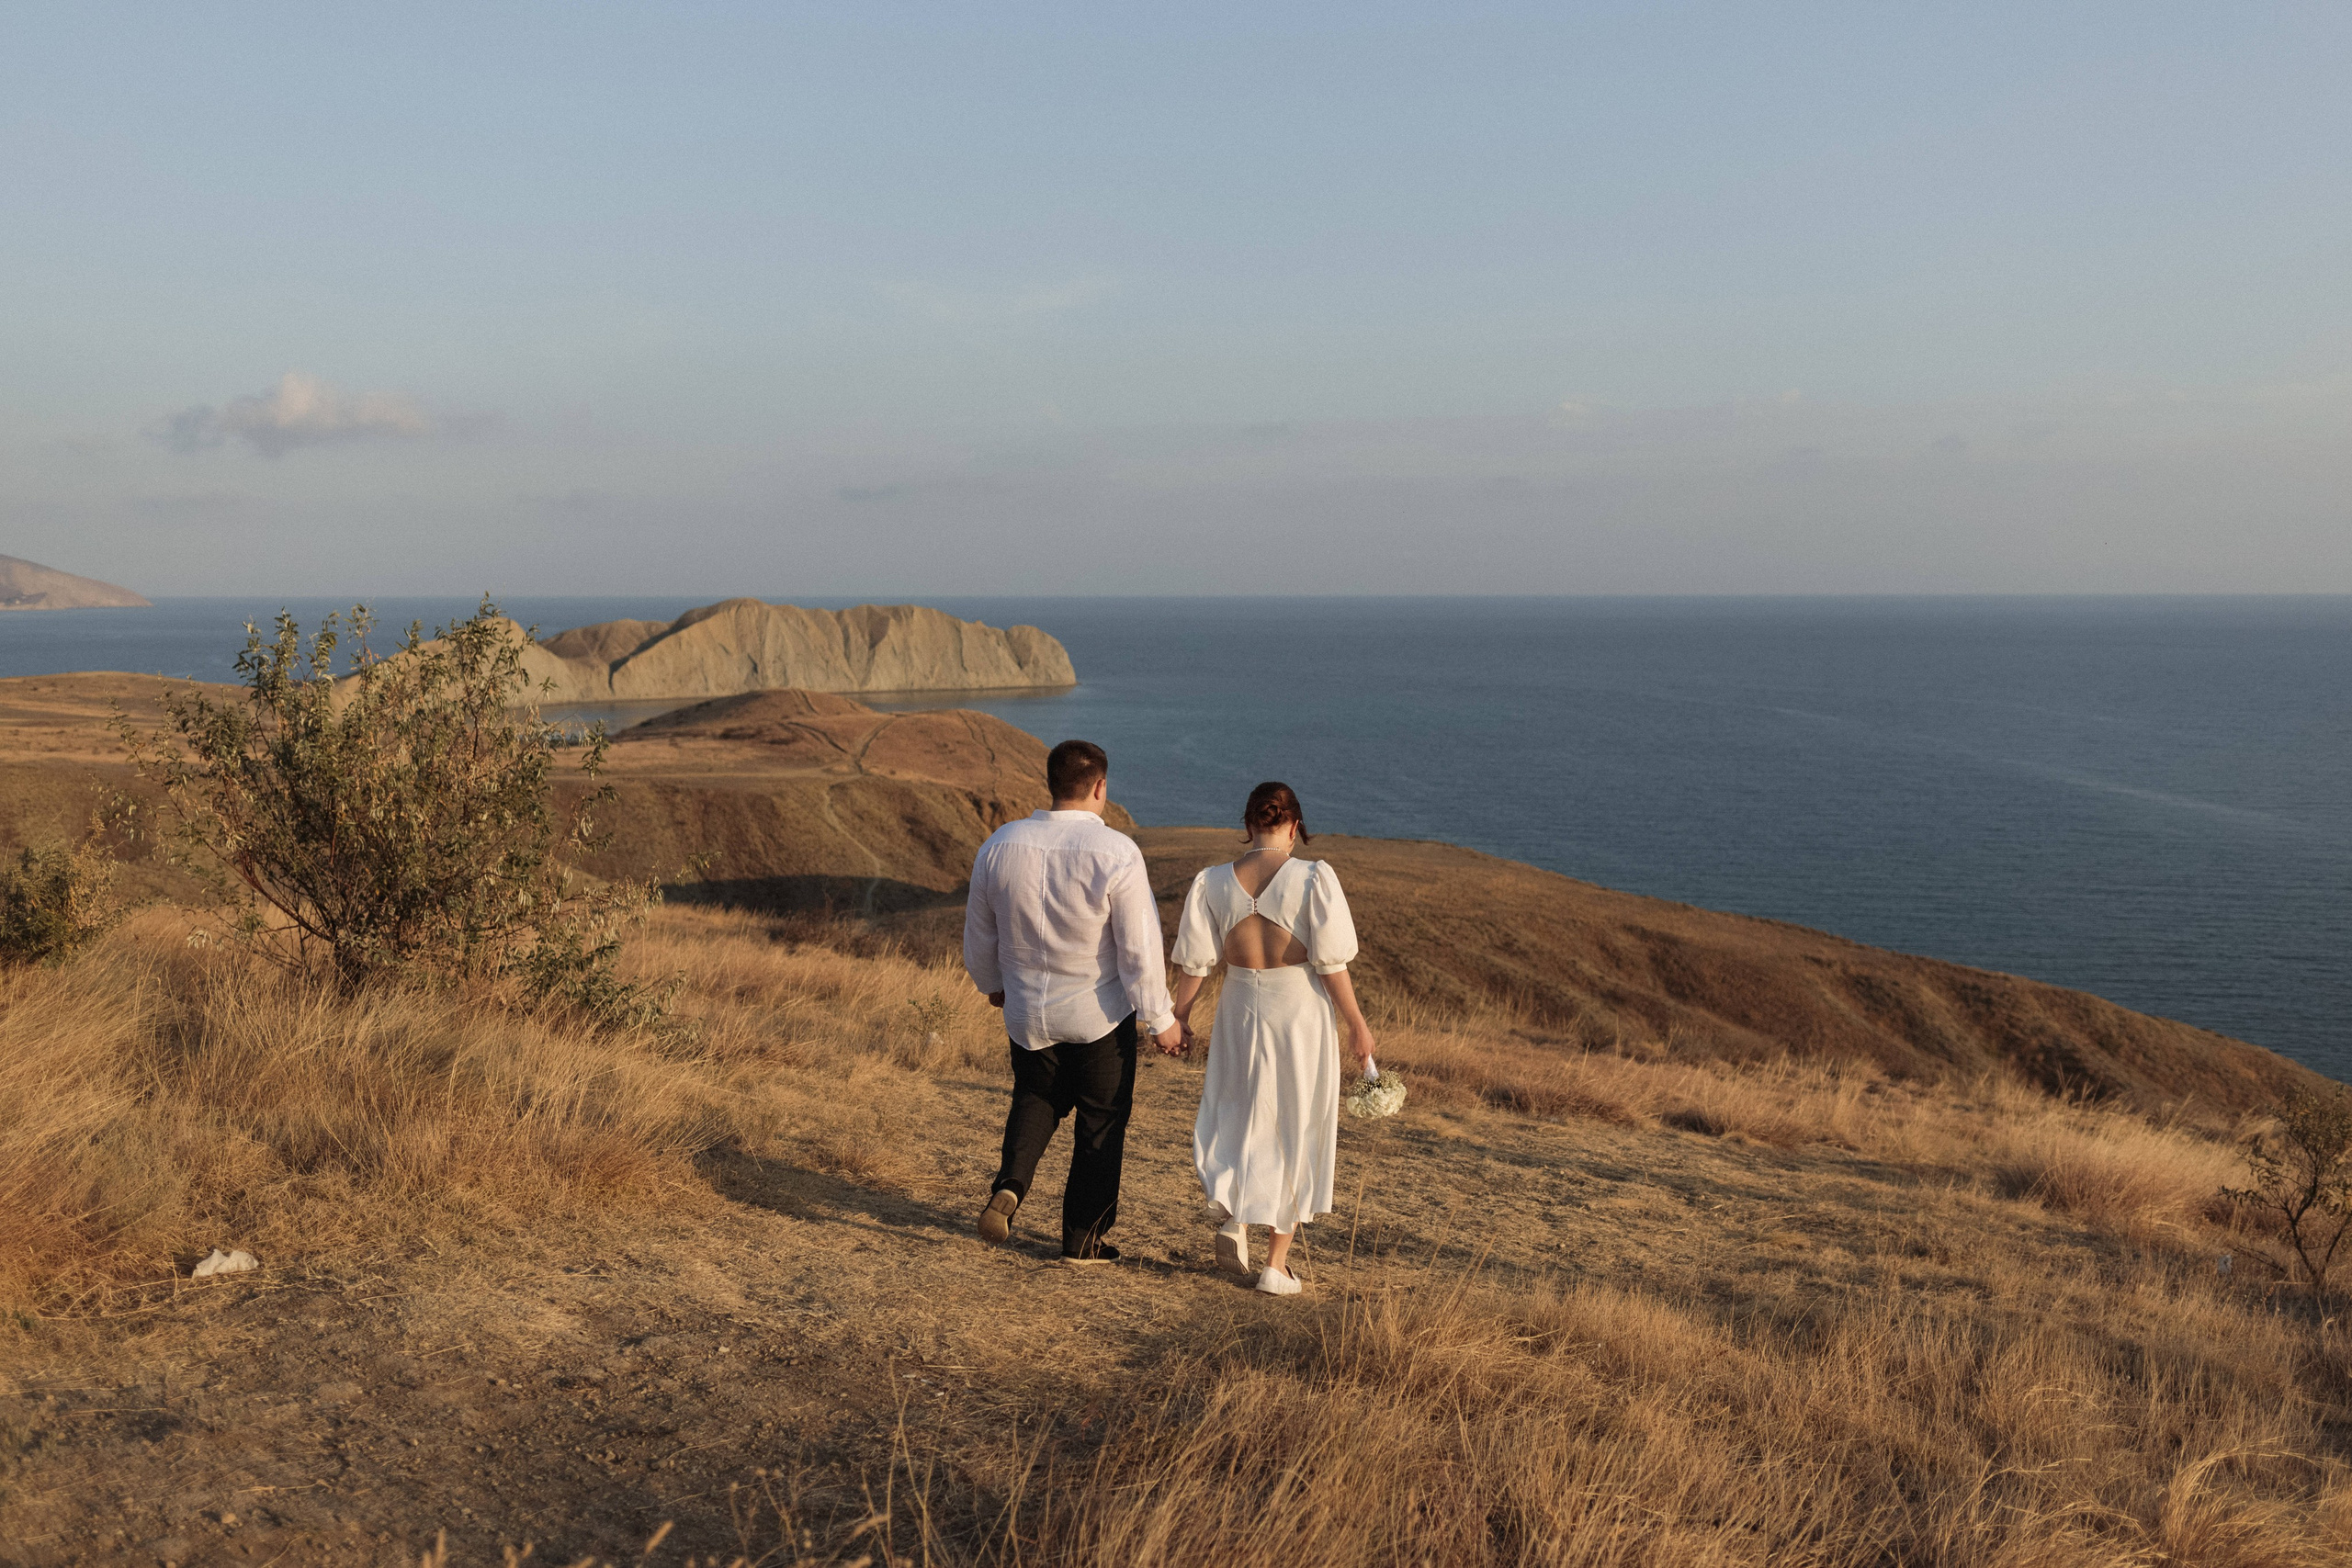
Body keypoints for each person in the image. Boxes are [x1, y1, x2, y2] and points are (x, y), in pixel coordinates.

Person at [964, 739, 1184, 1263]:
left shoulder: (999, 844)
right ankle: (1082, 1239)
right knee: (1100, 1122)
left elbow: (979, 934)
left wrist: (992, 983)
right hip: (1099, 1017)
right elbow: (1139, 948)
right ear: (1100, 787)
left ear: (1051, 782)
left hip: (1026, 1013)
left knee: (1037, 1097)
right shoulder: (1116, 852)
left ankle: (1011, 1186)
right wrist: (1161, 1019)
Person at [1170, 782, 1374, 1295]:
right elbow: (1331, 963)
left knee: (1238, 1110)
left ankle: (1233, 1218)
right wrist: (1357, 1024)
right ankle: (1275, 1266)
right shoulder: (1312, 878)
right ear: (1295, 825)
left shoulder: (1212, 882)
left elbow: (1196, 960)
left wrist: (1180, 1015)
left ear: (1247, 826)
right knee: (1296, 1124)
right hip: (1299, 1013)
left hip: (1239, 1006)